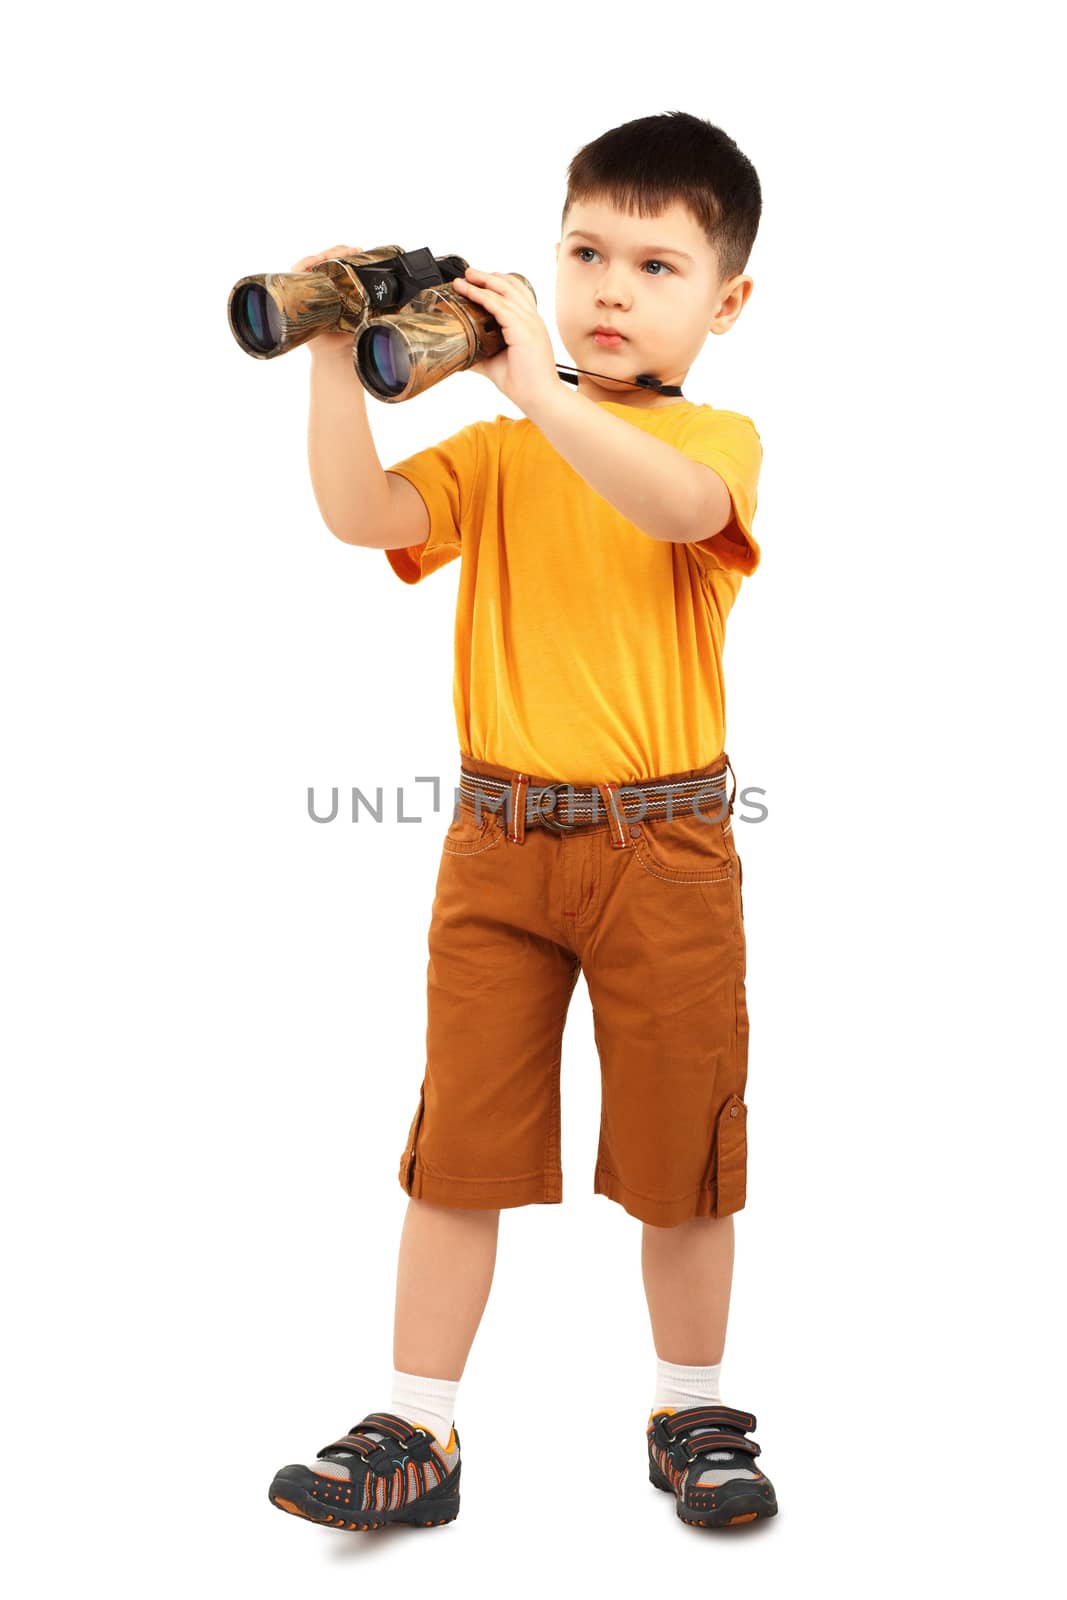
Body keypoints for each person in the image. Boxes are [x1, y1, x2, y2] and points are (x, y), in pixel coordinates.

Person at [268, 110, 777, 1534]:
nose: (611, 290)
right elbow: (361, 514)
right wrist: (333, 351)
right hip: (495, 846)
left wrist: (542, 384)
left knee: (681, 1156)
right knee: (463, 1146)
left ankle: (694, 1409)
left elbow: (672, 508)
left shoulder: (714, 439)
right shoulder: (498, 456)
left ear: (724, 302)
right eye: (586, 251)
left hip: (663, 852)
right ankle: (414, 1431)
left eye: (657, 267)